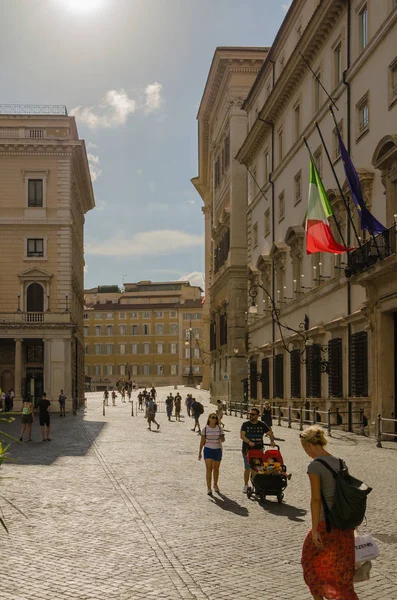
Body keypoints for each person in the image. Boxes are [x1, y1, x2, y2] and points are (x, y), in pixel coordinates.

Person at [300, 426, 358, 600]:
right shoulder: (341, 462)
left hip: (326, 525)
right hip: (344, 525)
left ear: (310, 445)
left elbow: (316, 499)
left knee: (309, 562)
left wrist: (315, 528)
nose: (306, 453)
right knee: (341, 572)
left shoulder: (315, 466)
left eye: (305, 448)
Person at [240, 407, 275, 493]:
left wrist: (272, 441)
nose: (250, 416)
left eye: (252, 414)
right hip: (247, 450)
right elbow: (242, 435)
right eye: (250, 414)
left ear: (257, 415)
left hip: (258, 450)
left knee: (257, 468)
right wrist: (249, 441)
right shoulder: (245, 424)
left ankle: (256, 484)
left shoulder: (262, 424)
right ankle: (245, 484)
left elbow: (270, 432)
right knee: (247, 467)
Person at [199, 413, 225, 495]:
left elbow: (223, 440)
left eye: (215, 418)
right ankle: (209, 488)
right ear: (209, 419)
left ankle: (215, 484)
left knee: (216, 469)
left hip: (217, 449)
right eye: (212, 417)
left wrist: (222, 437)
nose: (214, 419)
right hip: (208, 450)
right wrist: (199, 452)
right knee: (209, 469)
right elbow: (202, 441)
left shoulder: (219, 429)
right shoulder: (205, 429)